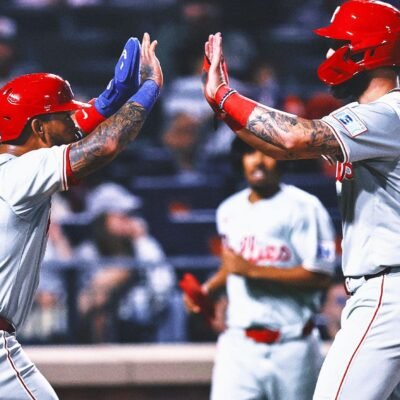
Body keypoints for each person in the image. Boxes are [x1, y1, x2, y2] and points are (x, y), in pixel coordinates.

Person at [202, 1, 400, 398]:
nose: (329, 53)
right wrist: (223, 109)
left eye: (339, 44)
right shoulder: (375, 118)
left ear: (368, 50)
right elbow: (282, 148)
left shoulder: (388, 114)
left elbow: (295, 137)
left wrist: (226, 95)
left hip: (388, 292)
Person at [0, 32, 162, 399]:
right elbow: (104, 145)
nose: (74, 121)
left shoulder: (12, 166)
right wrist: (149, 89)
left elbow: (70, 130)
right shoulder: (23, 172)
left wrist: (111, 98)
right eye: (64, 116)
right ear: (39, 129)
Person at [184, 137, 336, 400]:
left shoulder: (306, 207)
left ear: (281, 158)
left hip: (293, 345)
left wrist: (252, 270)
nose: (258, 161)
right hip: (239, 345)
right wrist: (207, 290)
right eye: (249, 153)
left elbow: (321, 276)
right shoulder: (229, 209)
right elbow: (233, 266)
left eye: (266, 153)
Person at [75, 182, 178, 343]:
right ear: (103, 220)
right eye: (121, 215)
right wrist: (115, 275)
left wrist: (143, 241)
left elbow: (164, 286)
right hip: (103, 339)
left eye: (129, 215)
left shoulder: (141, 246)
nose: (129, 220)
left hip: (143, 331)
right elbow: (81, 306)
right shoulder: (87, 252)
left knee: (176, 303)